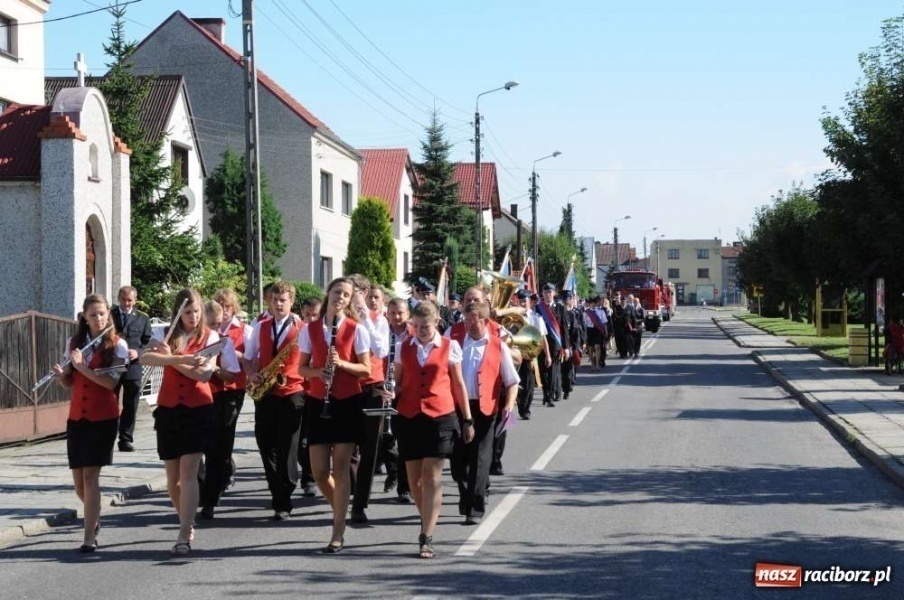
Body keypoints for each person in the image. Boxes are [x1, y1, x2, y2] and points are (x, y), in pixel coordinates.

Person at [391, 300, 474, 559]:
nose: (420, 331)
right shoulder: (402, 347)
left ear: (437, 322)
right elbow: (399, 382)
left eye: (425, 326)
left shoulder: (451, 347)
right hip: (409, 416)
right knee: (414, 479)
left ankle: (426, 535)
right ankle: (427, 515)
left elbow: (459, 384)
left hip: (441, 417)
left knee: (431, 475)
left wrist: (468, 420)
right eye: (415, 326)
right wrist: (390, 391)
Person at [141, 289, 219, 557]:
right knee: (172, 479)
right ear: (178, 312)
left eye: (197, 311)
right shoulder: (164, 333)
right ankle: (186, 519)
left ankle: (184, 533)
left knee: (188, 473)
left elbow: (205, 375)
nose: (194, 317)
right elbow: (145, 358)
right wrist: (179, 358)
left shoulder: (211, 337)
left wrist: (173, 361)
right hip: (169, 410)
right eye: (188, 312)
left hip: (198, 410)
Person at [298, 277, 371, 554]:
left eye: (346, 295)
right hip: (318, 401)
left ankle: (337, 531)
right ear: (328, 294)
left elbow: (366, 369)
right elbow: (301, 369)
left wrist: (342, 363)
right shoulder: (310, 329)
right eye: (337, 292)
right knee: (318, 471)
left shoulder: (356, 329)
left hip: (347, 402)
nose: (341, 297)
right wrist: (318, 372)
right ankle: (340, 507)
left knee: (340, 469)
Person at [53, 294, 128, 552]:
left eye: (102, 314)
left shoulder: (118, 346)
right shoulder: (74, 342)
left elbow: (109, 383)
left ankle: (89, 537)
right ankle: (94, 514)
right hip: (77, 418)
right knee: (78, 482)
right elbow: (71, 382)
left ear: (109, 315)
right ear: (85, 317)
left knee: (90, 476)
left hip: (103, 419)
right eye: (93, 314)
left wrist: (82, 367)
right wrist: (63, 375)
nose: (98, 319)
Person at [449, 301, 518, 525]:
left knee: (480, 458)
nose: (469, 325)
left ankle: (475, 508)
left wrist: (509, 405)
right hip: (458, 407)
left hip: (486, 408)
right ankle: (465, 496)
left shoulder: (498, 346)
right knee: (458, 460)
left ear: (485, 321)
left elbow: (511, 381)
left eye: (474, 321)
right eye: (466, 321)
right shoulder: (455, 344)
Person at [243, 280, 306, 521]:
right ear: (269, 301)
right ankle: (276, 488)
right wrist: (251, 373)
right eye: (274, 300)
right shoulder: (260, 327)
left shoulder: (303, 328)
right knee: (265, 443)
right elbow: (249, 358)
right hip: (266, 391)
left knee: (287, 446)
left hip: (293, 392)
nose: (278, 304)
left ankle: (284, 496)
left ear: (291, 302)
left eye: (283, 300)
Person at [347, 276, 390, 524]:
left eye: (359, 292)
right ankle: (351, 492)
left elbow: (381, 350)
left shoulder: (378, 320)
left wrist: (365, 319)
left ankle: (359, 503)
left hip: (372, 386)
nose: (358, 297)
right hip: (346, 387)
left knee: (369, 448)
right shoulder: (339, 319)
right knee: (346, 447)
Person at [198, 296, 245, 519]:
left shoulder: (222, 341)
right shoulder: (191, 339)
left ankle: (210, 499)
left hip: (221, 398)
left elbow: (231, 375)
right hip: (193, 400)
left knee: (218, 450)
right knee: (195, 451)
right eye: (212, 324)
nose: (217, 328)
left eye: (218, 324)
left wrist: (214, 368)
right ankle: (199, 491)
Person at [111, 285, 152, 452]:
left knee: (131, 403)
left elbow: (148, 342)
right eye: (123, 300)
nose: (126, 303)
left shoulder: (143, 318)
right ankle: (108, 436)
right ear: (118, 299)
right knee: (110, 401)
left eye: (130, 300)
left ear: (135, 300)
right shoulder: (109, 315)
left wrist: (139, 351)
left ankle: (125, 439)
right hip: (113, 364)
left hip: (133, 366)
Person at [383, 297, 414, 502]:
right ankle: (393, 470)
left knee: (404, 442)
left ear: (408, 314)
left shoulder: (414, 334)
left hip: (406, 391)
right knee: (383, 440)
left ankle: (405, 488)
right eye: (392, 313)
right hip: (383, 390)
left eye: (400, 313)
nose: (396, 317)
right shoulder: (381, 331)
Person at [297, 296, 322, 498]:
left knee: (311, 438)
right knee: (299, 441)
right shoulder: (299, 332)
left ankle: (309, 478)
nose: (311, 319)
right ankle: (307, 475)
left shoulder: (324, 333)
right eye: (307, 315)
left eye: (315, 315)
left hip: (317, 391)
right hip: (297, 390)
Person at [514, 289, 549, 419]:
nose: (523, 303)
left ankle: (526, 408)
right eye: (521, 301)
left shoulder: (536, 317)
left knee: (529, 382)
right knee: (517, 380)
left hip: (530, 354)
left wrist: (548, 355)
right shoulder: (513, 317)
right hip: (516, 353)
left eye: (525, 301)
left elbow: (542, 337)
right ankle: (521, 406)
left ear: (530, 302)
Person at [536, 283, 570, 406]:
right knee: (542, 371)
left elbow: (564, 328)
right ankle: (546, 394)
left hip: (555, 344)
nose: (548, 294)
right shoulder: (538, 308)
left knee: (552, 371)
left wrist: (566, 347)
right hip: (541, 344)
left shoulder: (560, 308)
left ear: (554, 293)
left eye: (550, 292)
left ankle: (550, 396)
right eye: (545, 292)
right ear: (542, 294)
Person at [559, 290, 582, 399]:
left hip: (568, 347)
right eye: (565, 299)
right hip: (558, 346)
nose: (567, 301)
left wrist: (576, 347)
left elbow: (576, 332)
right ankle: (556, 390)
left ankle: (566, 390)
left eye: (568, 299)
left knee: (567, 371)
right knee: (557, 370)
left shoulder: (572, 315)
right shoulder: (557, 313)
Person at [584, 296, 609, 371]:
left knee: (597, 346)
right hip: (589, 330)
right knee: (591, 348)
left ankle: (597, 364)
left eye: (594, 303)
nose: (593, 305)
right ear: (589, 304)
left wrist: (606, 332)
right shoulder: (586, 313)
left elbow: (604, 323)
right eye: (591, 303)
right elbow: (584, 324)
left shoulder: (601, 312)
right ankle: (592, 364)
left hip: (598, 331)